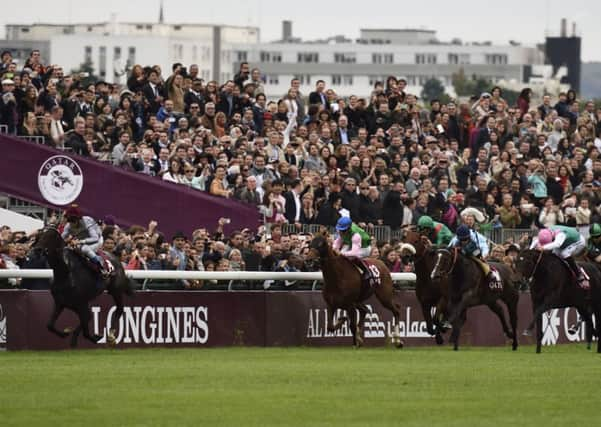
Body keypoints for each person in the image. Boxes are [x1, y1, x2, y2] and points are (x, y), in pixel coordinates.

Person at [61, 205, 110, 277]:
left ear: (78, 219)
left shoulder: (87, 222)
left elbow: (95, 238)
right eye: (69, 220)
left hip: (97, 241)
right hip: (82, 243)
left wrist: (80, 241)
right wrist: (66, 241)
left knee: (85, 249)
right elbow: (61, 238)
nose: (71, 224)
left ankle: (101, 266)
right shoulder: (68, 226)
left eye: (73, 220)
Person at [332, 216, 374, 285]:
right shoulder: (341, 230)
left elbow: (354, 253)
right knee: (340, 255)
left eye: (343, 230)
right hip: (352, 244)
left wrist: (341, 253)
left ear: (348, 229)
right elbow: (337, 242)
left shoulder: (356, 235)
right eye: (340, 230)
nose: (341, 232)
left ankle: (366, 271)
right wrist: (334, 249)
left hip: (364, 248)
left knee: (350, 257)